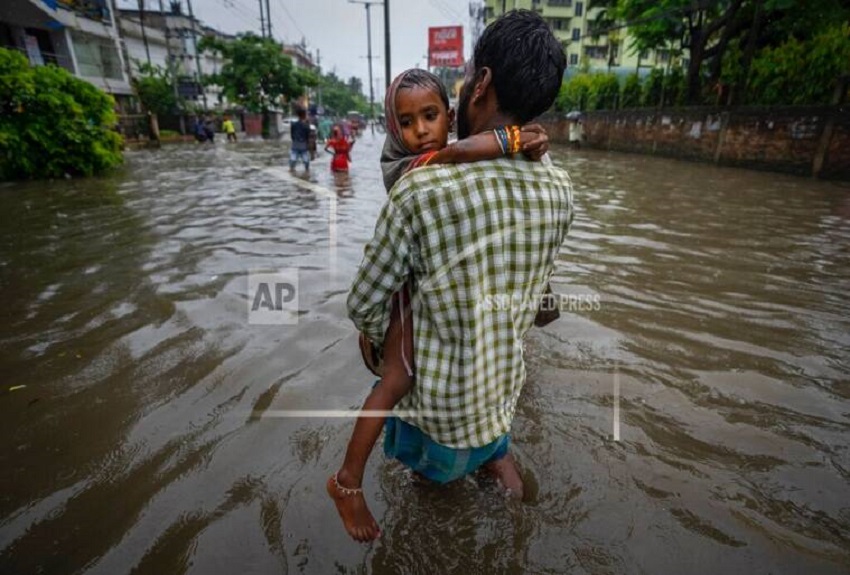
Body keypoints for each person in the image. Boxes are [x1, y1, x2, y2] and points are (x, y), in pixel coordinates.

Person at [328, 57, 563, 542]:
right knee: (403, 384)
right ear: (394, 128)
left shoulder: (420, 191)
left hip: (434, 374)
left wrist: (378, 339)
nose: (420, 131)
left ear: (469, 97)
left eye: (430, 116)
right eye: (407, 122)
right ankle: (350, 482)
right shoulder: (556, 187)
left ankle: (347, 482)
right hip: (497, 388)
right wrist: (515, 140)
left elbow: (364, 303)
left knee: (396, 383)